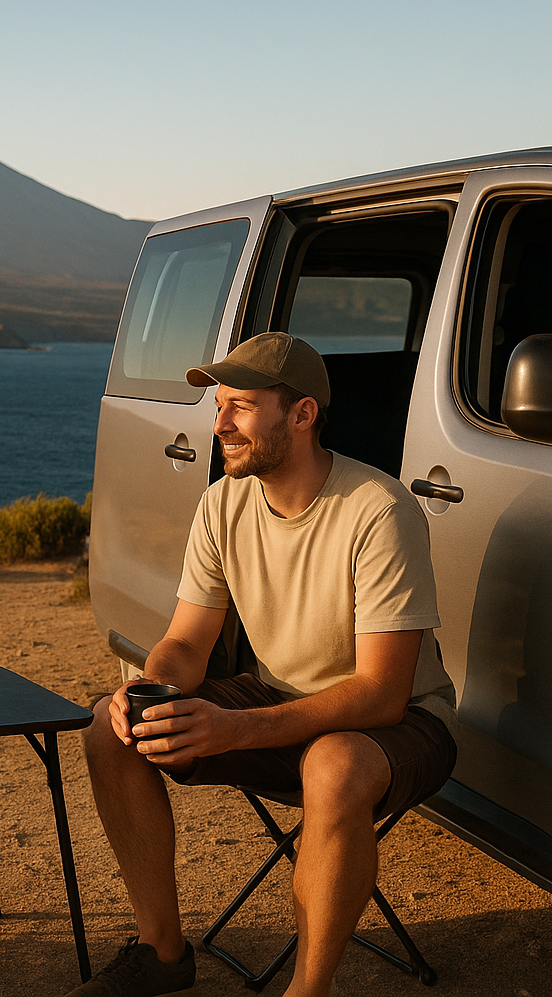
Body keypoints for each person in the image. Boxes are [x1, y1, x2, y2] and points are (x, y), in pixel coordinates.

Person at [67, 332, 457, 997]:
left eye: (240, 407)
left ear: (301, 415)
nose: (219, 424)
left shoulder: (378, 510)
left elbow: (381, 694)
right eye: (219, 406)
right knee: (110, 727)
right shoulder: (224, 502)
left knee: (334, 767)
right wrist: (150, 691)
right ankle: (163, 952)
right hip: (276, 701)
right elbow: (189, 641)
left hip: (399, 725)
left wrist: (233, 729)